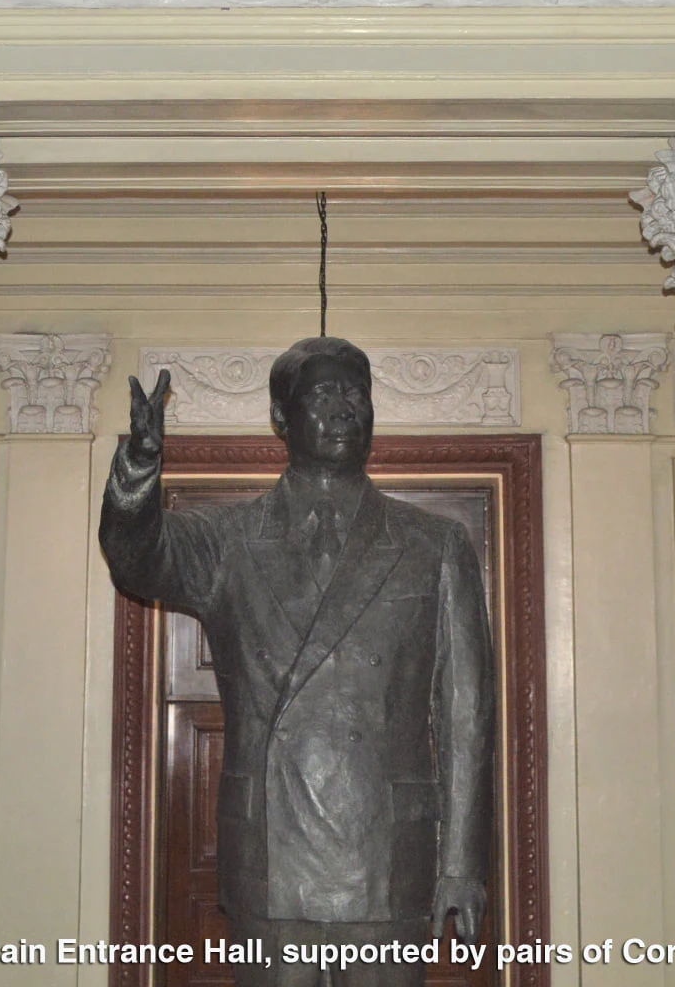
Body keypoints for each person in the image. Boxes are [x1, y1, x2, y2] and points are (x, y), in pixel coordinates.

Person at [99, 337, 495, 987]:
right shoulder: (227, 541)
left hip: (387, 856)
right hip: (270, 854)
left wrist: (461, 864)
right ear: (281, 418)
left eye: (355, 394)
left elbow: (466, 716)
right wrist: (138, 471)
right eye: (324, 394)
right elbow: (138, 559)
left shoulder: (434, 544)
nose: (344, 409)